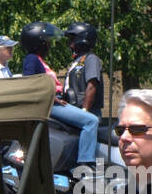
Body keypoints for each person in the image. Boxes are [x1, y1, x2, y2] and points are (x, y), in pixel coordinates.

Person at [19, 21, 99, 172]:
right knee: (91, 121)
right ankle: (85, 163)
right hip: (51, 104)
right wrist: (51, 97)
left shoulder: (38, 60)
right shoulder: (32, 59)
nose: (50, 45)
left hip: (53, 102)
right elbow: (29, 83)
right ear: (39, 43)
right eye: (47, 41)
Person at [63, 22, 104, 117]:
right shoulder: (77, 61)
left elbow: (92, 86)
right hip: (74, 110)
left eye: (72, 39)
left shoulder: (91, 59)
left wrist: (84, 112)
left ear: (82, 39)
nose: (70, 43)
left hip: (88, 112)